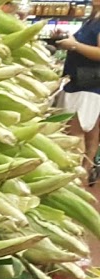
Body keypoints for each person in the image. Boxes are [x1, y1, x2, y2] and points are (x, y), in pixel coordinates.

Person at [57, 9, 100, 185]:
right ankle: (82, 175)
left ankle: (73, 178)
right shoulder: (93, 18)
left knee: (74, 133)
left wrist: (74, 46)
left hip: (88, 83)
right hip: (83, 82)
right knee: (91, 131)